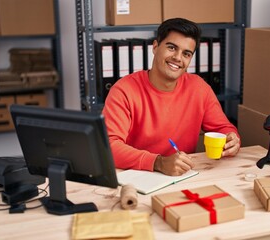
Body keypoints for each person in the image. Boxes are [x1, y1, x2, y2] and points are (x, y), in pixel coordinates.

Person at [102, 18, 240, 176]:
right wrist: (158, 162)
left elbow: (223, 129)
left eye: (186, 54)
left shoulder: (199, 88)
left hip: (181, 176)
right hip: (136, 176)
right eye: (172, 48)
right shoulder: (123, 90)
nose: (178, 58)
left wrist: (232, 139)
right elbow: (109, 146)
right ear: (155, 47)